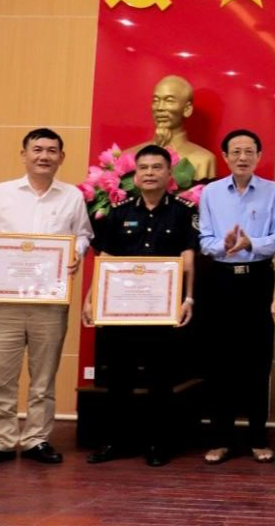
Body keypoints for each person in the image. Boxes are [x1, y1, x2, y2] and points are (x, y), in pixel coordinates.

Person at [0, 128, 92, 469]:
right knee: (2, 376)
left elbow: (83, 234)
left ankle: (36, 439)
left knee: (44, 376)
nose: (44, 156)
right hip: (5, 301)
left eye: (52, 150)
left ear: (61, 157)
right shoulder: (2, 193)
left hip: (50, 300)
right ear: (24, 154)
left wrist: (76, 252)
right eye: (37, 149)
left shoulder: (72, 196)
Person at [83, 145, 197, 467]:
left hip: (163, 311)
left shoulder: (183, 212)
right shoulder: (119, 212)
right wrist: (91, 298)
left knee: (160, 379)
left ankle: (158, 443)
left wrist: (188, 298)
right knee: (118, 378)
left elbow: (188, 260)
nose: (149, 173)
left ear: (169, 174)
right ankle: (115, 442)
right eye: (143, 168)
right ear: (134, 175)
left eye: (156, 167)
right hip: (121, 309)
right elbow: (105, 259)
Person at [196, 129, 275, 465]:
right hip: (219, 280)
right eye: (236, 151)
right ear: (225, 156)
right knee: (219, 361)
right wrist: (223, 245)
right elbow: (204, 239)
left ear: (259, 156)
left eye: (249, 151)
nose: (242, 157)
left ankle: (258, 437)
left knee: (258, 361)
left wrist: (251, 243)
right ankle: (221, 438)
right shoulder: (211, 192)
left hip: (258, 280)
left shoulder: (274, 192)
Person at [128, 75, 217, 179]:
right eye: (156, 100)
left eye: (169, 101)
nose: (160, 108)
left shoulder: (203, 160)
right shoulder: (129, 157)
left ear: (187, 109)